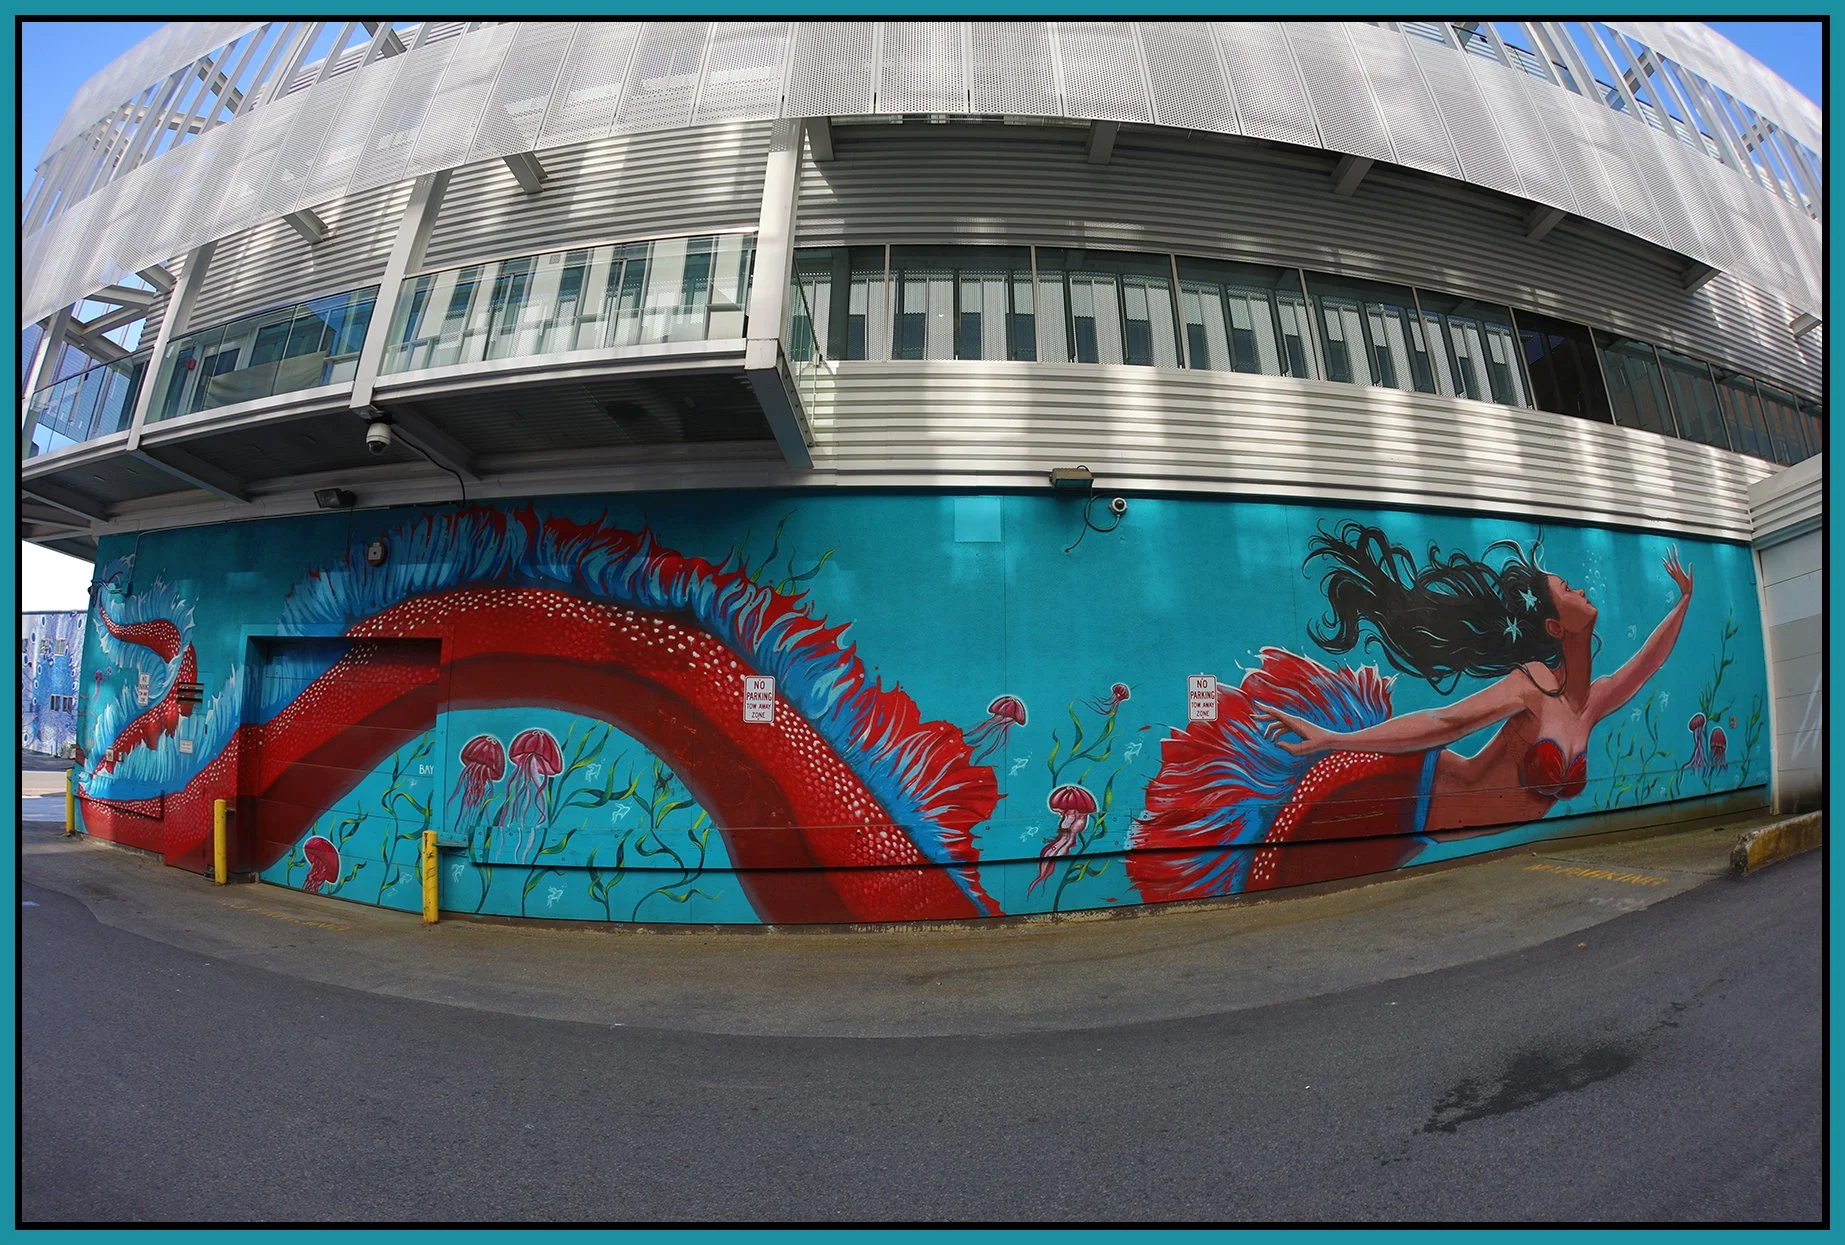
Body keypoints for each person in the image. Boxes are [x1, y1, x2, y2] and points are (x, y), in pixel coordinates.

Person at [1128, 521, 1693, 900]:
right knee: (1272, 861)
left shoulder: (1587, 704)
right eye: (1567, 587)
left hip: (1429, 833)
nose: (1580, 591)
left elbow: (1646, 664)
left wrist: (1685, 601)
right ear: (1552, 626)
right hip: (1412, 798)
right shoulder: (1534, 685)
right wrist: (1329, 739)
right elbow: (1444, 724)